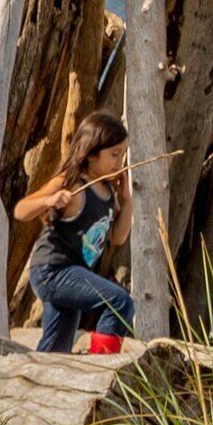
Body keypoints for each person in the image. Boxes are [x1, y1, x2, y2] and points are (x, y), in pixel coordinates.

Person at [16, 112, 139, 353]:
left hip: (74, 274)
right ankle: (99, 368)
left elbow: (118, 237)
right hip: (52, 270)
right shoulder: (73, 184)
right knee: (119, 302)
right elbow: (21, 210)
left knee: (57, 346)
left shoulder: (107, 190)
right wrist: (50, 199)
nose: (120, 161)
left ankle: (41, 382)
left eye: (122, 154)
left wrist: (127, 201)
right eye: (114, 154)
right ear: (91, 153)